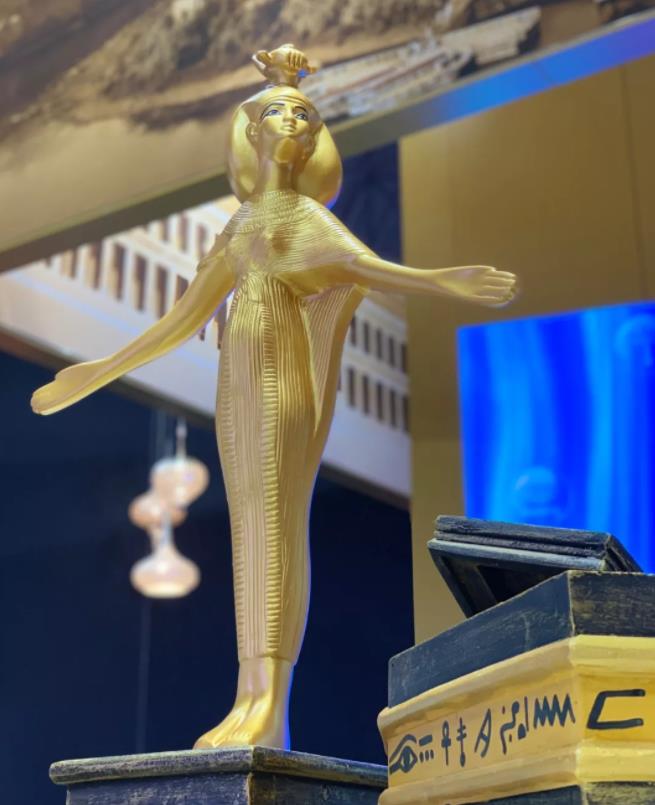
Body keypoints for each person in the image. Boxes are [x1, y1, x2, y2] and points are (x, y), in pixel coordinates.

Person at [32, 43, 517, 750]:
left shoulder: (307, 218)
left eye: (303, 115)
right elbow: (182, 319)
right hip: (237, 380)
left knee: (276, 524)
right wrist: (99, 370)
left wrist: (444, 282)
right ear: (253, 132)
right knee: (249, 530)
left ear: (313, 140)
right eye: (279, 113)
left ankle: (270, 704)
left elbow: (367, 268)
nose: (292, 122)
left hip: (283, 375)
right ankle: (250, 698)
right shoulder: (240, 225)